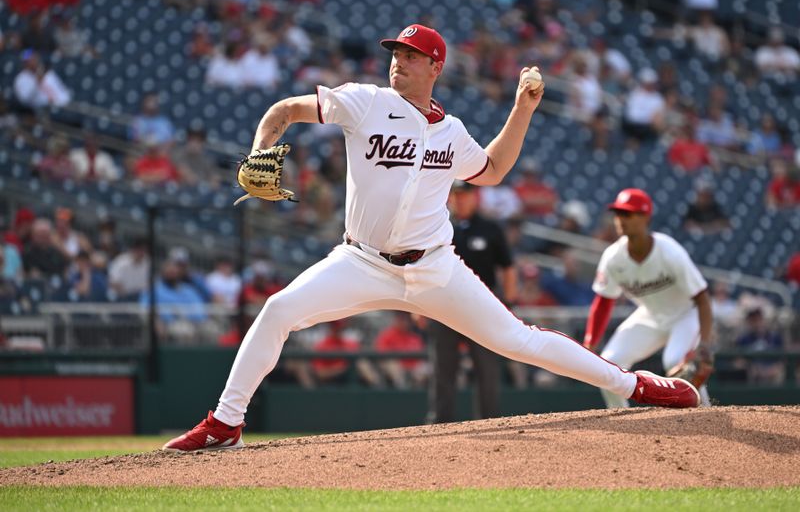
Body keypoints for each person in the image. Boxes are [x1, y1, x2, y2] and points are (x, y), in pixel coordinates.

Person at [163, 23, 701, 452]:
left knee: (517, 340)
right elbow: (286, 110)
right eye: (395, 52)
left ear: (435, 66)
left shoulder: (451, 129)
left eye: (411, 55)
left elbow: (489, 171)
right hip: (362, 262)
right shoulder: (365, 101)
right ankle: (225, 422)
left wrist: (523, 109)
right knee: (278, 311)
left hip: (434, 267)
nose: (398, 60)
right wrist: (262, 148)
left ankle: (640, 386)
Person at [582, 188, 714, 408]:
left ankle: (706, 417)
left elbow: (702, 299)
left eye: (628, 214)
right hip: (650, 315)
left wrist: (706, 344)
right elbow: (604, 302)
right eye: (618, 214)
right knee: (608, 365)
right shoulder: (613, 257)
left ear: (645, 217)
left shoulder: (669, 252)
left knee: (675, 361)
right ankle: (624, 430)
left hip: (685, 315)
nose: (621, 220)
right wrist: (590, 343)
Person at [426, 180, 517, 423]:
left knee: (486, 367)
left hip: (482, 307)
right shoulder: (439, 227)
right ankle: (439, 423)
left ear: (475, 196)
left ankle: (489, 420)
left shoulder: (490, 229)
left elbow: (508, 268)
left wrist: (508, 303)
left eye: (464, 194)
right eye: (455, 194)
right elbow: (422, 266)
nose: (460, 199)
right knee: (443, 367)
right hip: (444, 305)